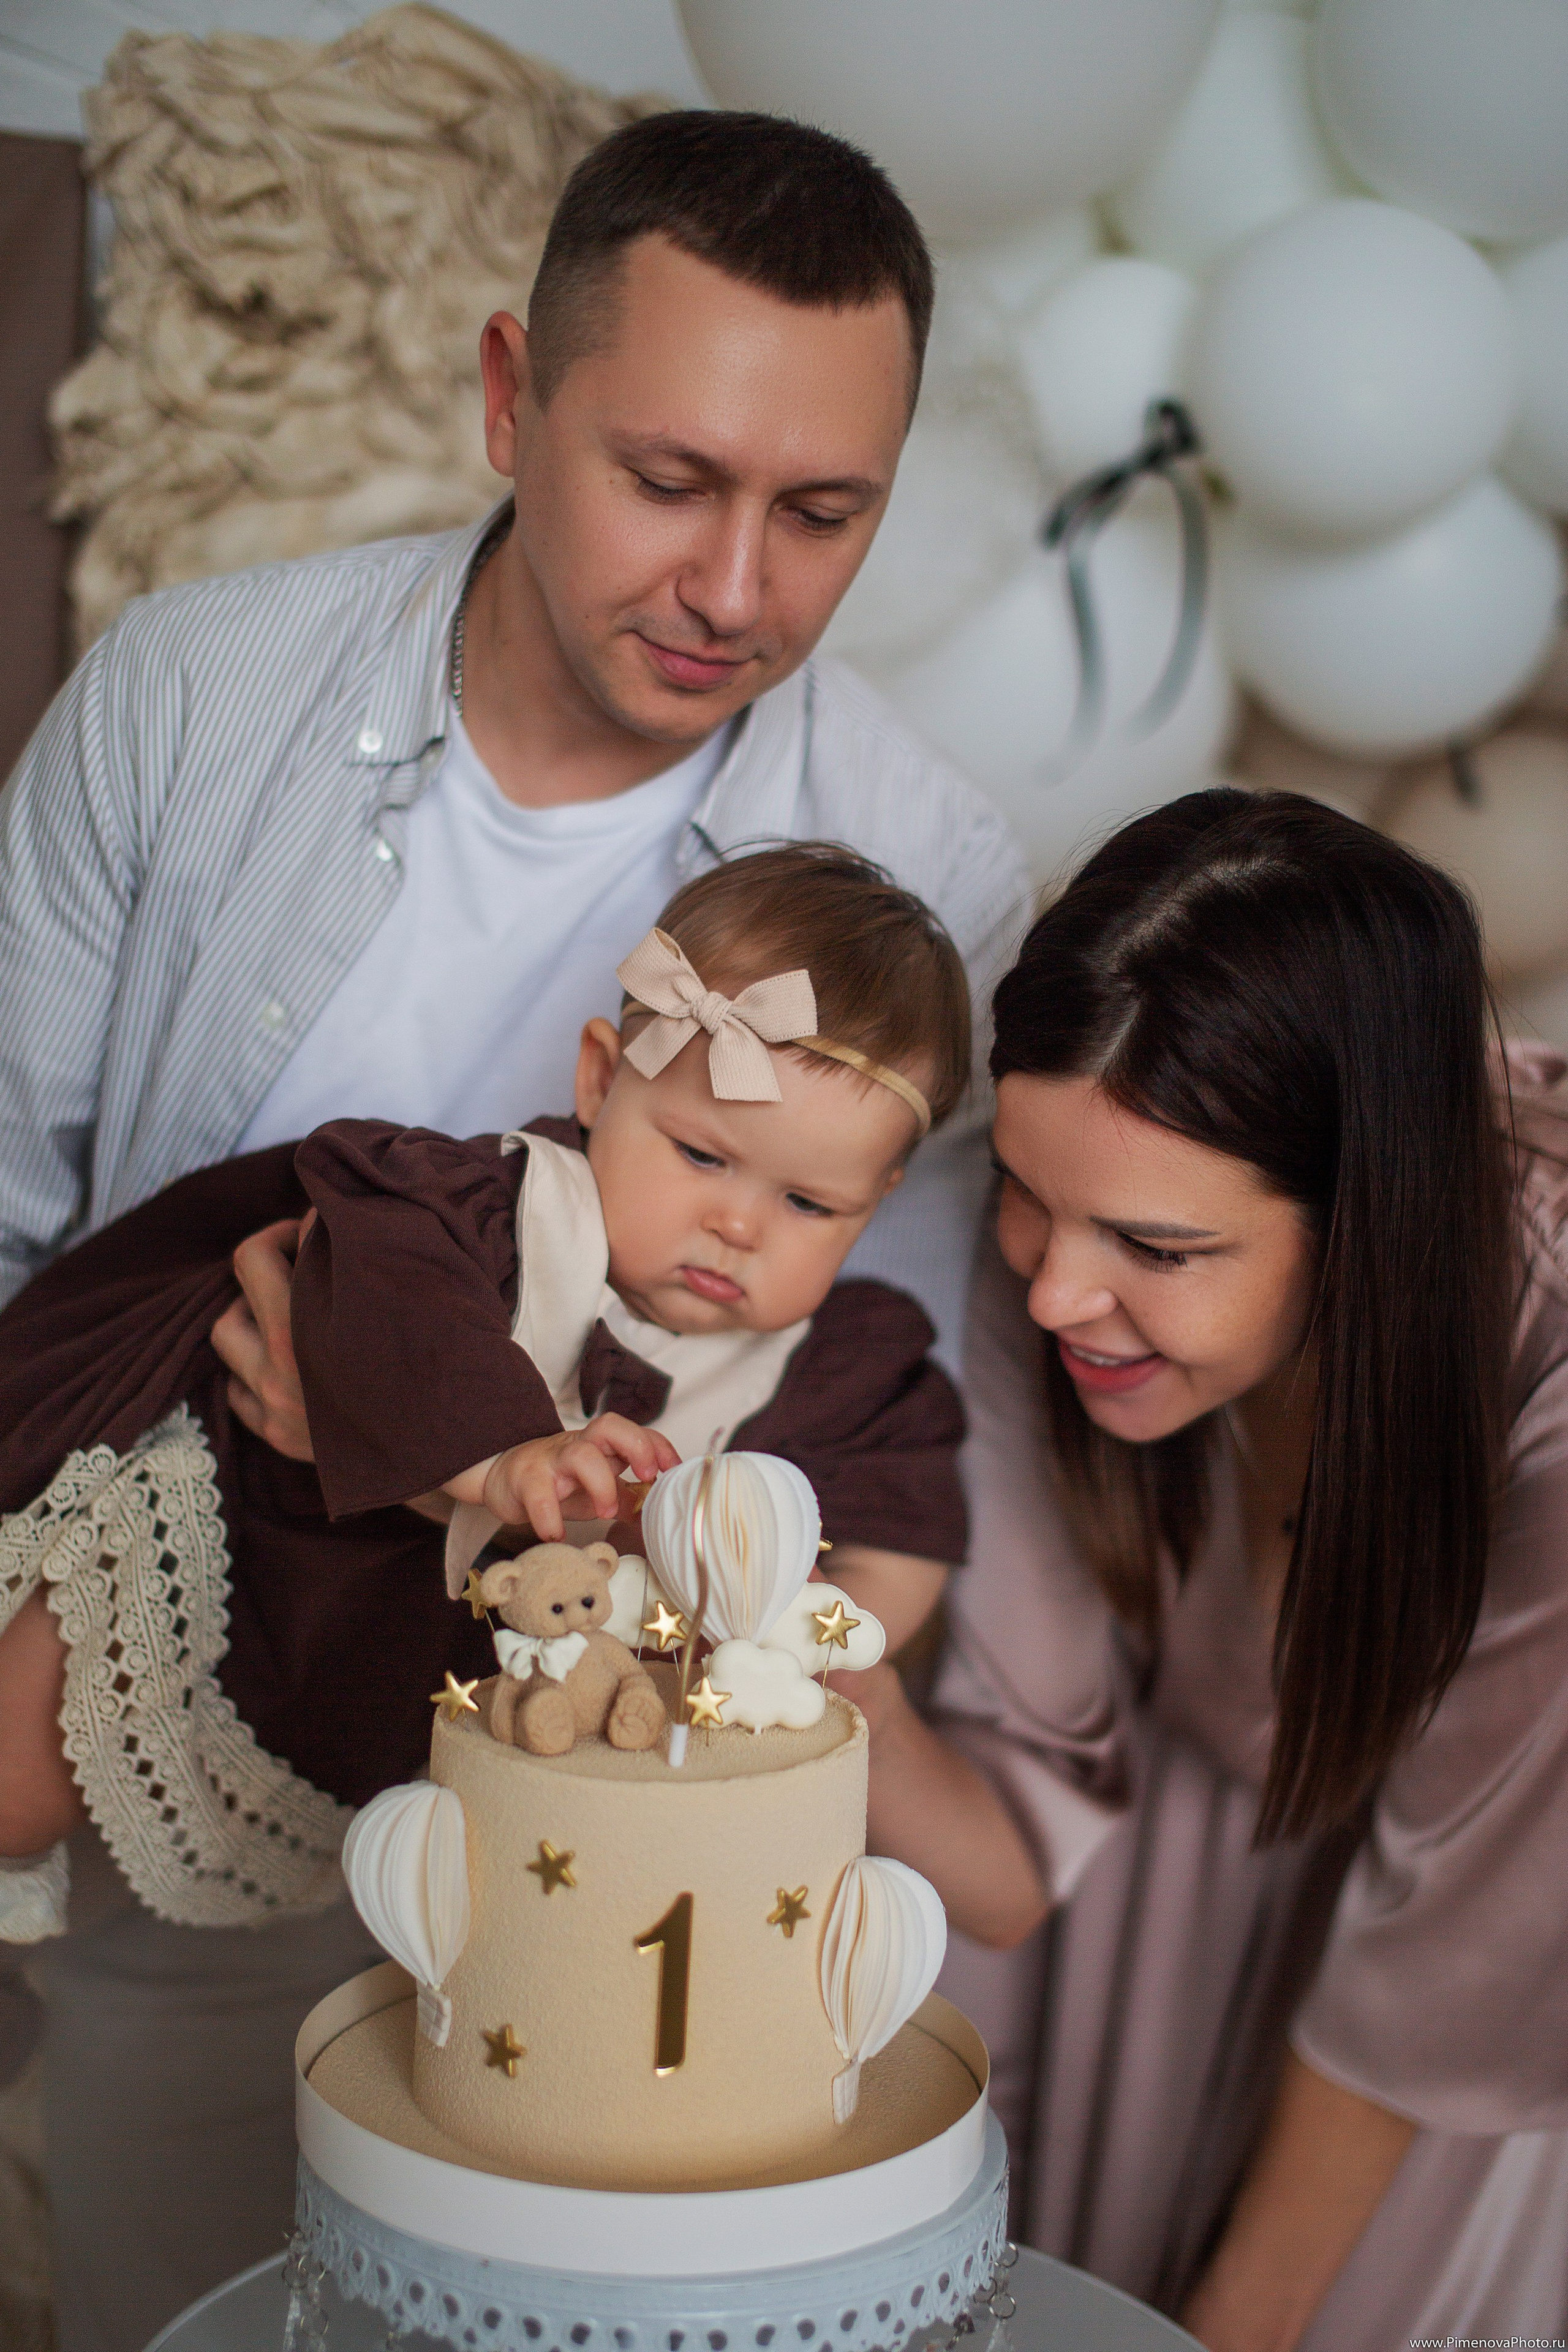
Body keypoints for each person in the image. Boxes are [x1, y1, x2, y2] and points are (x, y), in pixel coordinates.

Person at [0, 110, 1028, 2352]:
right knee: (172, 2285)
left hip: (603, 1795)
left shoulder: (933, 880)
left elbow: (858, 1423)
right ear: (507, 396)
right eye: (669, 479)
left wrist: (444, 1454)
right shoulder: (194, 699)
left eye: (823, 512)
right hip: (193, 1739)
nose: (735, 588)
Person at [853, 788, 1568, 2352]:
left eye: (1155, 1250)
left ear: (1365, 1221)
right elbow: (1030, 1770)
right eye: (1027, 1197)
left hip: (1465, 1985)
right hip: (1140, 1873)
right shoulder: (1059, 1237)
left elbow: (1446, 1969)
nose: (1054, 1293)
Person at [0, 844, 970, 1925]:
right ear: (600, 1079)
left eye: (810, 1205)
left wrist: (800, 1629)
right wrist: (508, 1450)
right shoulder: (492, 1210)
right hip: (243, 1537)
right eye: (703, 1156)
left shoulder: (835, 1368)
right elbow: (384, 1292)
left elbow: (899, 1520)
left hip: (387, 1677)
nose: (738, 1225)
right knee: (18, 1772)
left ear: (878, 1198)